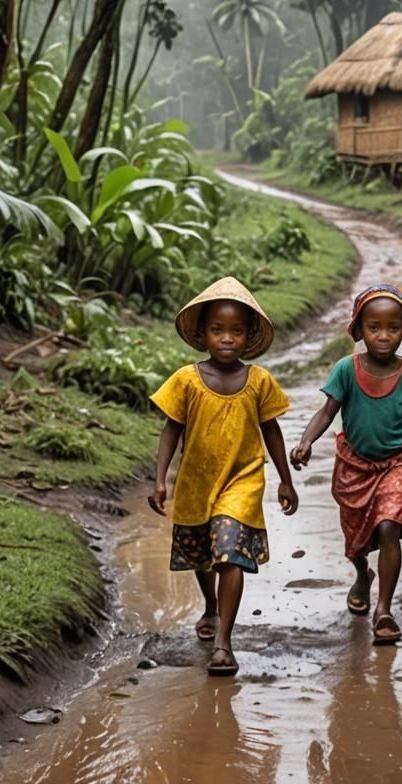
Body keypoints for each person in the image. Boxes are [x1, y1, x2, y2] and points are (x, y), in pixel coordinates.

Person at [148, 276, 298, 676]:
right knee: (203, 555)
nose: (227, 339)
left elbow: (272, 431)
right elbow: (171, 430)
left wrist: (285, 479)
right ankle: (211, 606)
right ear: (203, 333)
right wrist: (161, 479)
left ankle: (223, 642)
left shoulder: (260, 382)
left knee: (228, 554)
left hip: (243, 480)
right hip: (197, 480)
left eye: (236, 331)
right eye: (218, 330)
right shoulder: (185, 380)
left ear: (248, 336)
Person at [290, 284, 402, 645]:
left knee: (389, 527)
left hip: (398, 464)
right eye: (374, 327)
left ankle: (384, 610)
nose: (383, 336)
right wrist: (305, 441)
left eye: (393, 328)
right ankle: (363, 576)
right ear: (358, 330)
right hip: (354, 469)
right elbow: (327, 410)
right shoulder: (346, 369)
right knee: (357, 543)